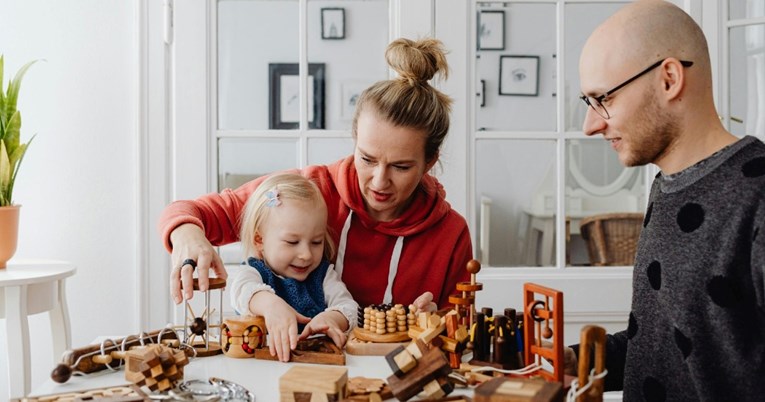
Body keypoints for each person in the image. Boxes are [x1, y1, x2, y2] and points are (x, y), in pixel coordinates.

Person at [158, 37, 472, 313]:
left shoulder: (451, 234)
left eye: (400, 167)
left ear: (430, 161)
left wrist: (437, 320)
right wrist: (188, 236)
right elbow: (189, 212)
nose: (379, 181)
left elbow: (460, 329)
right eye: (367, 159)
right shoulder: (306, 194)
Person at [571, 0, 765, 400]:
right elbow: (661, 347)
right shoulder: (666, 188)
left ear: (669, 79)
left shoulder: (758, 194)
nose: (590, 125)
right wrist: (563, 362)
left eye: (602, 98)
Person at [231, 173, 357, 362]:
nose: (306, 254)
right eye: (292, 242)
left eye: (316, 242)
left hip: (314, 366)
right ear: (259, 240)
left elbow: (349, 307)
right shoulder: (253, 271)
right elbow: (241, 291)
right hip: (262, 366)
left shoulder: (323, 276)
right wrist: (271, 305)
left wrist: (332, 318)